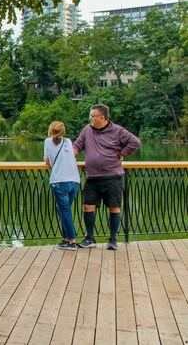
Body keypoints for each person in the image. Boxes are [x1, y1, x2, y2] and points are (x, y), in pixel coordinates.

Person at [72, 104, 140, 250]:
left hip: (112, 177)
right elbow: (77, 145)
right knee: (87, 206)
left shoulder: (117, 130)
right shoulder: (87, 130)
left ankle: (113, 239)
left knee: (114, 208)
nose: (90, 118)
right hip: (92, 177)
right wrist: (67, 155)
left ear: (101, 118)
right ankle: (90, 238)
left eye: (92, 116)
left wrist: (123, 153)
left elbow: (135, 142)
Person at [44, 121, 80, 251]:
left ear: (50, 130)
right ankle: (66, 239)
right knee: (62, 210)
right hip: (74, 181)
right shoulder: (68, 141)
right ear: (63, 131)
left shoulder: (48, 141)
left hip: (59, 181)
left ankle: (71, 241)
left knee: (64, 211)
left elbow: (47, 161)